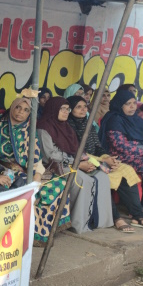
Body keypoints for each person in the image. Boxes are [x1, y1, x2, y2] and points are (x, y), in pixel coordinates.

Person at [0, 96, 70, 242]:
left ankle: (42, 231)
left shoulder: (29, 129)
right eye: (18, 107)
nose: (21, 112)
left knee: (59, 183)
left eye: (26, 110)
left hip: (27, 169)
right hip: (1, 168)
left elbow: (36, 156)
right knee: (31, 187)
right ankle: (28, 233)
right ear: (12, 107)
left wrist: (37, 175)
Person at [67, 95, 143, 229]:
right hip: (81, 161)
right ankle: (116, 217)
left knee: (125, 171)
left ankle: (138, 215)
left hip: (98, 159)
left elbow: (98, 147)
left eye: (85, 106)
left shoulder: (87, 124)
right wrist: (102, 160)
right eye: (78, 107)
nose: (83, 110)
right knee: (101, 178)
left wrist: (107, 158)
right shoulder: (68, 127)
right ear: (71, 110)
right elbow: (75, 152)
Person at [37, 97, 113, 233]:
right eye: (62, 109)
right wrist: (77, 164)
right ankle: (78, 223)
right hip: (52, 167)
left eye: (68, 109)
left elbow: (76, 149)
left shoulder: (66, 127)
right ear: (53, 109)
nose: (66, 112)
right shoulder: (44, 127)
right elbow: (50, 155)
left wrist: (86, 162)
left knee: (102, 176)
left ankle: (99, 220)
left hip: (72, 162)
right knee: (82, 180)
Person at [100, 88, 143, 206]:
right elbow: (120, 145)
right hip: (119, 156)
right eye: (128, 104)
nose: (132, 106)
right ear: (120, 105)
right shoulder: (114, 119)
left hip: (139, 153)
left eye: (134, 103)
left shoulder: (137, 120)